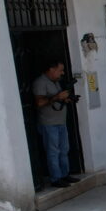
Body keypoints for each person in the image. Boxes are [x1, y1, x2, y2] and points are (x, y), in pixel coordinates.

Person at [32, 59, 79, 188]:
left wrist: (67, 99)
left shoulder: (56, 82)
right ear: (51, 69)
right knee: (53, 151)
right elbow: (39, 103)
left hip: (60, 122)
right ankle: (55, 178)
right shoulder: (40, 83)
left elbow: (57, 99)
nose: (62, 73)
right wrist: (58, 97)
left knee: (64, 149)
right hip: (48, 123)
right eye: (60, 70)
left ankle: (64, 174)